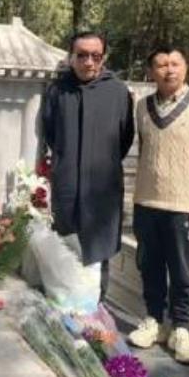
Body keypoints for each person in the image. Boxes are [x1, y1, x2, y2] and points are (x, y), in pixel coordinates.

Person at [128, 45, 189, 365]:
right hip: (146, 200)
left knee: (181, 270)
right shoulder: (142, 107)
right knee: (149, 265)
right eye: (162, 65)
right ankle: (154, 320)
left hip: (183, 205)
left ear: (186, 68)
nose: (169, 70)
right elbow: (144, 149)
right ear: (151, 71)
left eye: (175, 64)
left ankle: (181, 328)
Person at [42, 30, 134, 303]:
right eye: (81, 55)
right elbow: (50, 133)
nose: (88, 62)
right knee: (64, 249)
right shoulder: (57, 91)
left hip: (102, 189)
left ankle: (95, 309)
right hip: (67, 185)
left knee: (98, 253)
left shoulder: (118, 92)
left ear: (103, 58)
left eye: (95, 56)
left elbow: (125, 138)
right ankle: (61, 306)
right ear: (71, 57)